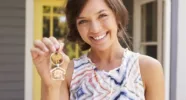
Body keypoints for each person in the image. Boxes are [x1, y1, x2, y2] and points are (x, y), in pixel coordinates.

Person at [30, 0, 165, 99]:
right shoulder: (67, 71)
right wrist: (51, 86)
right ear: (76, 28)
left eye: (102, 16)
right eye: (83, 21)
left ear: (116, 16)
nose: (95, 29)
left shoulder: (147, 68)